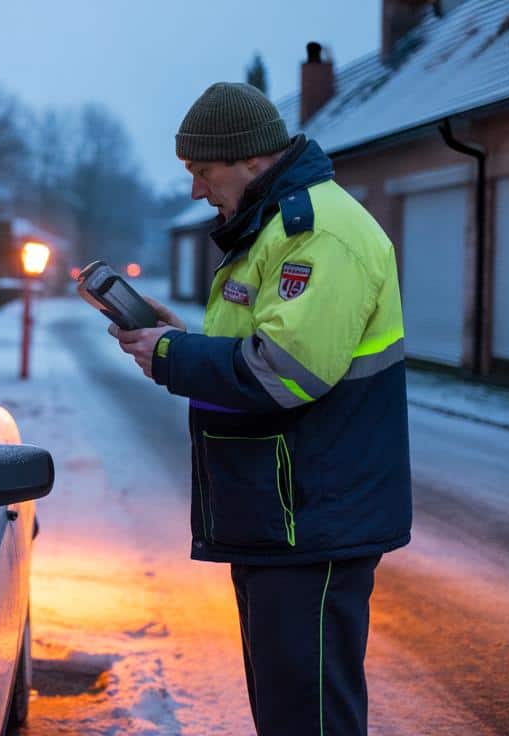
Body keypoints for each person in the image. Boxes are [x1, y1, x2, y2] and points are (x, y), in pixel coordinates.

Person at [109, 82, 411, 736]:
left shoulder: (318, 234)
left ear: (250, 157)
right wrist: (180, 339)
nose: (196, 190)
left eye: (202, 171)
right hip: (283, 516)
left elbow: (284, 372)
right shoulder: (273, 227)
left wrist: (173, 357)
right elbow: (261, 346)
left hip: (311, 519)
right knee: (287, 712)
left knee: (309, 718)